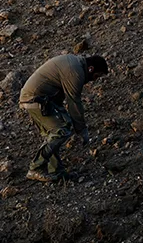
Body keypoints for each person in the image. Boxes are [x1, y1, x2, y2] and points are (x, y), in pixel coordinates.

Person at [18, 53, 109, 182]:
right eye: (96, 76)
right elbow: (74, 102)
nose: (94, 80)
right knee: (61, 131)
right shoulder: (76, 72)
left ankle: (56, 171)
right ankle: (36, 167)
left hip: (43, 100)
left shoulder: (75, 64)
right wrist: (81, 129)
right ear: (91, 69)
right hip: (35, 100)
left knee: (56, 130)